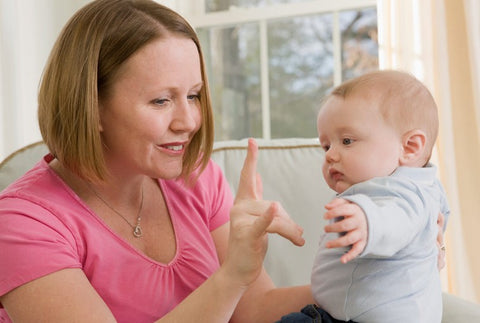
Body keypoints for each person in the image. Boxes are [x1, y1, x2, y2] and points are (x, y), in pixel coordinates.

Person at [0, 0, 314, 322]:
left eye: (193, 95)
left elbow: (256, 310)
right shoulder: (23, 223)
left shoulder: (197, 179)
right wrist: (232, 276)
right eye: (161, 100)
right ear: (91, 107)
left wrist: (352, 281)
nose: (189, 121)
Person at [278, 70, 450, 323]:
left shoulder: (402, 193)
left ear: (410, 147)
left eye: (346, 141)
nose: (330, 155)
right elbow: (435, 221)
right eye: (326, 145)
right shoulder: (428, 190)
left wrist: (369, 221)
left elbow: (395, 218)